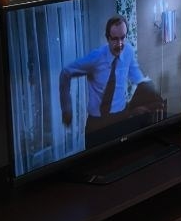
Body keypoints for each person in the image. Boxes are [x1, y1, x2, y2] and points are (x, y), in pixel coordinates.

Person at [59, 15, 148, 146]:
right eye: (115, 39)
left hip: (121, 118)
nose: (120, 44)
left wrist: (147, 98)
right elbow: (65, 73)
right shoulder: (96, 57)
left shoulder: (128, 51)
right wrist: (67, 108)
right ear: (107, 38)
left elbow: (138, 78)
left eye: (123, 38)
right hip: (97, 124)